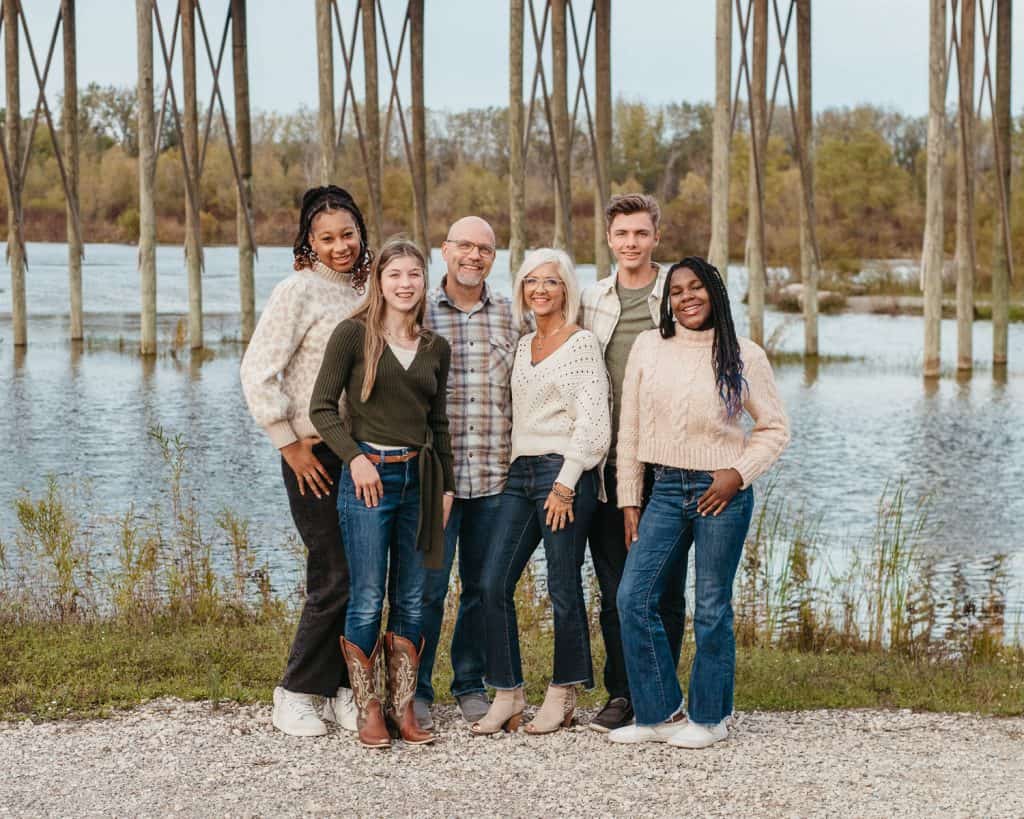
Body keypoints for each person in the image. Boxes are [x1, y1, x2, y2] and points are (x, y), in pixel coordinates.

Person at [609, 256, 789, 748]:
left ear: (714, 292)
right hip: (665, 490)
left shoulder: (743, 354)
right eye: (677, 291)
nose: (687, 297)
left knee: (711, 605)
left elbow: (775, 429)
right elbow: (630, 431)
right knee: (634, 596)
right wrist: (630, 501)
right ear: (667, 302)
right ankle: (659, 712)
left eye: (696, 288)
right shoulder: (649, 347)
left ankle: (710, 718)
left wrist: (737, 473)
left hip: (721, 495)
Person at [309, 237, 455, 749]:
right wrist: (356, 459)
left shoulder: (437, 347)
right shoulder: (353, 335)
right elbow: (322, 409)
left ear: (423, 280)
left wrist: (447, 489)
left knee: (413, 598)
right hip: (370, 479)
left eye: (414, 274)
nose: (405, 283)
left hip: (423, 482)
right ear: (380, 281)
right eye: (395, 274)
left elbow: (438, 425)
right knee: (369, 596)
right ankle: (368, 708)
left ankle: (403, 706)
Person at [240, 185, 370, 738]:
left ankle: (341, 688)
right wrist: (287, 441)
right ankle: (294, 692)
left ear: (361, 233)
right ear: (308, 242)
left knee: (364, 575)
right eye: (327, 238)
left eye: (347, 235)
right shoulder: (298, 290)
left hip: (359, 453)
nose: (339, 246)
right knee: (333, 572)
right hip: (312, 452)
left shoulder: (367, 292)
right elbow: (256, 369)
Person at [472, 248, 610, 736]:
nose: (540, 290)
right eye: (532, 282)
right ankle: (508, 694)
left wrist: (567, 484)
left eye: (550, 282)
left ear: (566, 289)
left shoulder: (582, 344)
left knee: (562, 585)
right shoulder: (524, 344)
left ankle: (563, 692)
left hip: (563, 475)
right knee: (492, 584)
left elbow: (594, 423)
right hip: (520, 472)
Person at [578, 193, 686, 732]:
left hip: (666, 461)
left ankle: (663, 694)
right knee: (617, 587)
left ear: (656, 238)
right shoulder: (592, 298)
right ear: (609, 239)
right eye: (622, 235)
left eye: (641, 234)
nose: (631, 244)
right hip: (607, 462)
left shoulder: (680, 292)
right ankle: (622, 692)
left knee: (664, 587)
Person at [416, 217, 524, 730]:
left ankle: (469, 683)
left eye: (484, 248)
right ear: (444, 250)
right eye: (464, 245)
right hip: (434, 481)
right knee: (426, 589)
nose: (473, 255)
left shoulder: (510, 314)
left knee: (483, 588)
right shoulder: (415, 310)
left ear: (493, 257)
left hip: (495, 480)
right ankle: (414, 688)